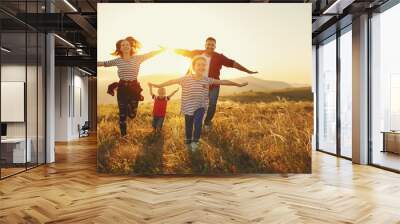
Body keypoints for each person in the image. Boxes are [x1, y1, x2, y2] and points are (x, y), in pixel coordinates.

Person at [149, 55, 248, 151]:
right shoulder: (186, 78)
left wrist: (237, 85)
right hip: (188, 108)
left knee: (198, 124)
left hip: (200, 106)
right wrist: (158, 85)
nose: (201, 67)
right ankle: (188, 142)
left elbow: (223, 82)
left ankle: (195, 143)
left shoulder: (207, 80)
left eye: (204, 65)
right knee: (188, 126)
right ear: (194, 67)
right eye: (199, 64)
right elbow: (171, 81)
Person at [174, 37, 257, 129]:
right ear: (205, 45)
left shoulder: (219, 57)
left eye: (212, 45)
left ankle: (207, 122)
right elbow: (184, 52)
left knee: (212, 104)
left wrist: (247, 71)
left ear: (215, 46)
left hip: (214, 85)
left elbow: (232, 63)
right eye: (208, 44)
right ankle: (196, 122)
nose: (210, 46)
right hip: (199, 84)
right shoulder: (197, 53)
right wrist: (167, 49)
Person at [97, 36, 165, 137]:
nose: (125, 46)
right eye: (123, 45)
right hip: (122, 88)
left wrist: (162, 50)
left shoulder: (138, 58)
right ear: (120, 48)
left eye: (127, 44)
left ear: (131, 46)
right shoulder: (117, 61)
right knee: (122, 115)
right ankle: (123, 136)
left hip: (134, 89)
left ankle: (129, 108)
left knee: (132, 115)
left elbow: (149, 55)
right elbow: (103, 63)